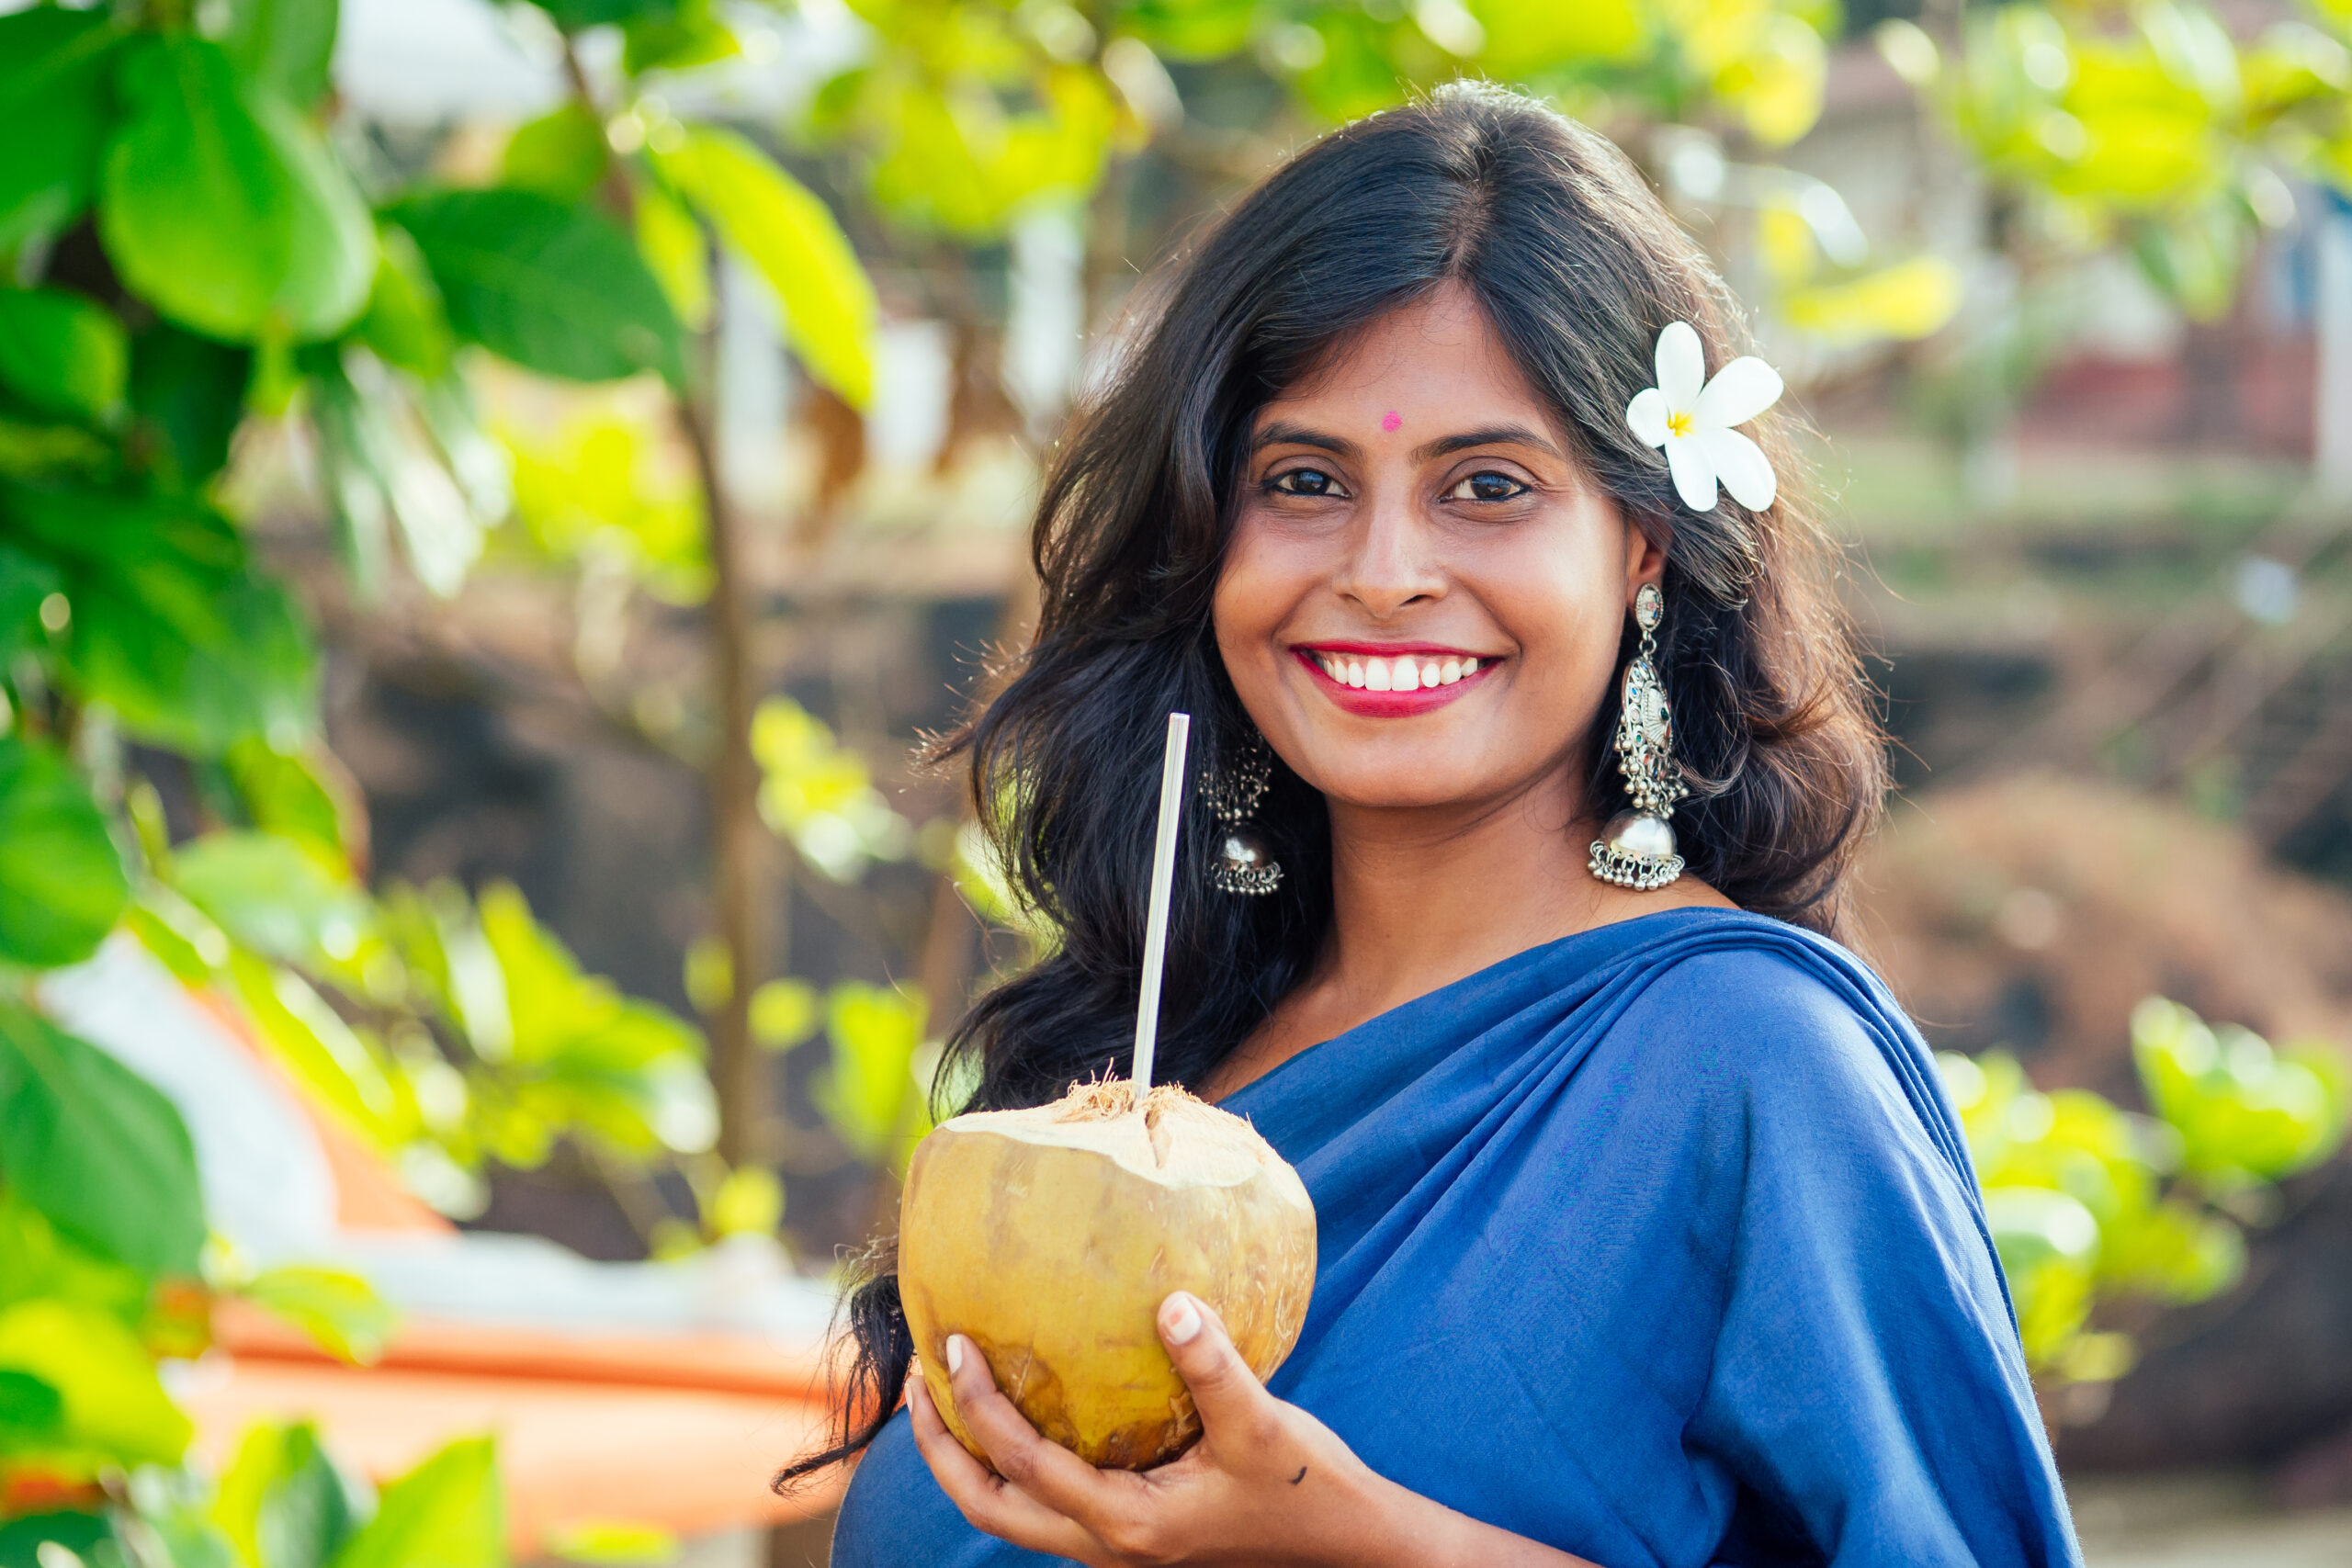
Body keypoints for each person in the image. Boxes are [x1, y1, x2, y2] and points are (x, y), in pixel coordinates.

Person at [785, 83, 2084, 1568]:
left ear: (1643, 542)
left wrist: (1365, 1543)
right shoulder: (1152, 1059)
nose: (1385, 570)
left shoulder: (1747, 1072)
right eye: (1303, 481)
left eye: (1486, 487)